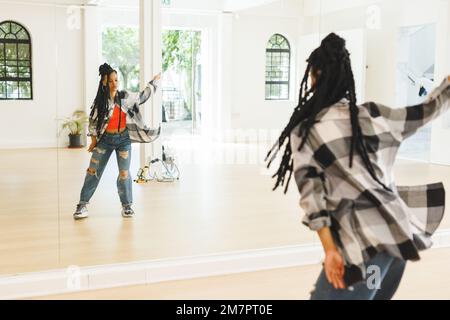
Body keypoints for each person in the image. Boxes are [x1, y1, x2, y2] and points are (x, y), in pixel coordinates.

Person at [266, 33, 450, 300]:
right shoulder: (373, 116)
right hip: (396, 239)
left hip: (363, 247)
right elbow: (425, 111)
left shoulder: (307, 132)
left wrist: (330, 251)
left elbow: (313, 202)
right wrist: (446, 85)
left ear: (314, 77)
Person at [73, 63, 161, 220]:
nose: (115, 84)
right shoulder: (101, 102)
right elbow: (93, 122)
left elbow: (142, 96)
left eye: (116, 80)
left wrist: (154, 82)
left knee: (124, 173)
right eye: (111, 81)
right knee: (92, 171)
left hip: (123, 140)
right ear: (104, 82)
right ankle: (82, 204)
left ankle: (127, 206)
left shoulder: (125, 97)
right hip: (105, 141)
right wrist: (93, 141)